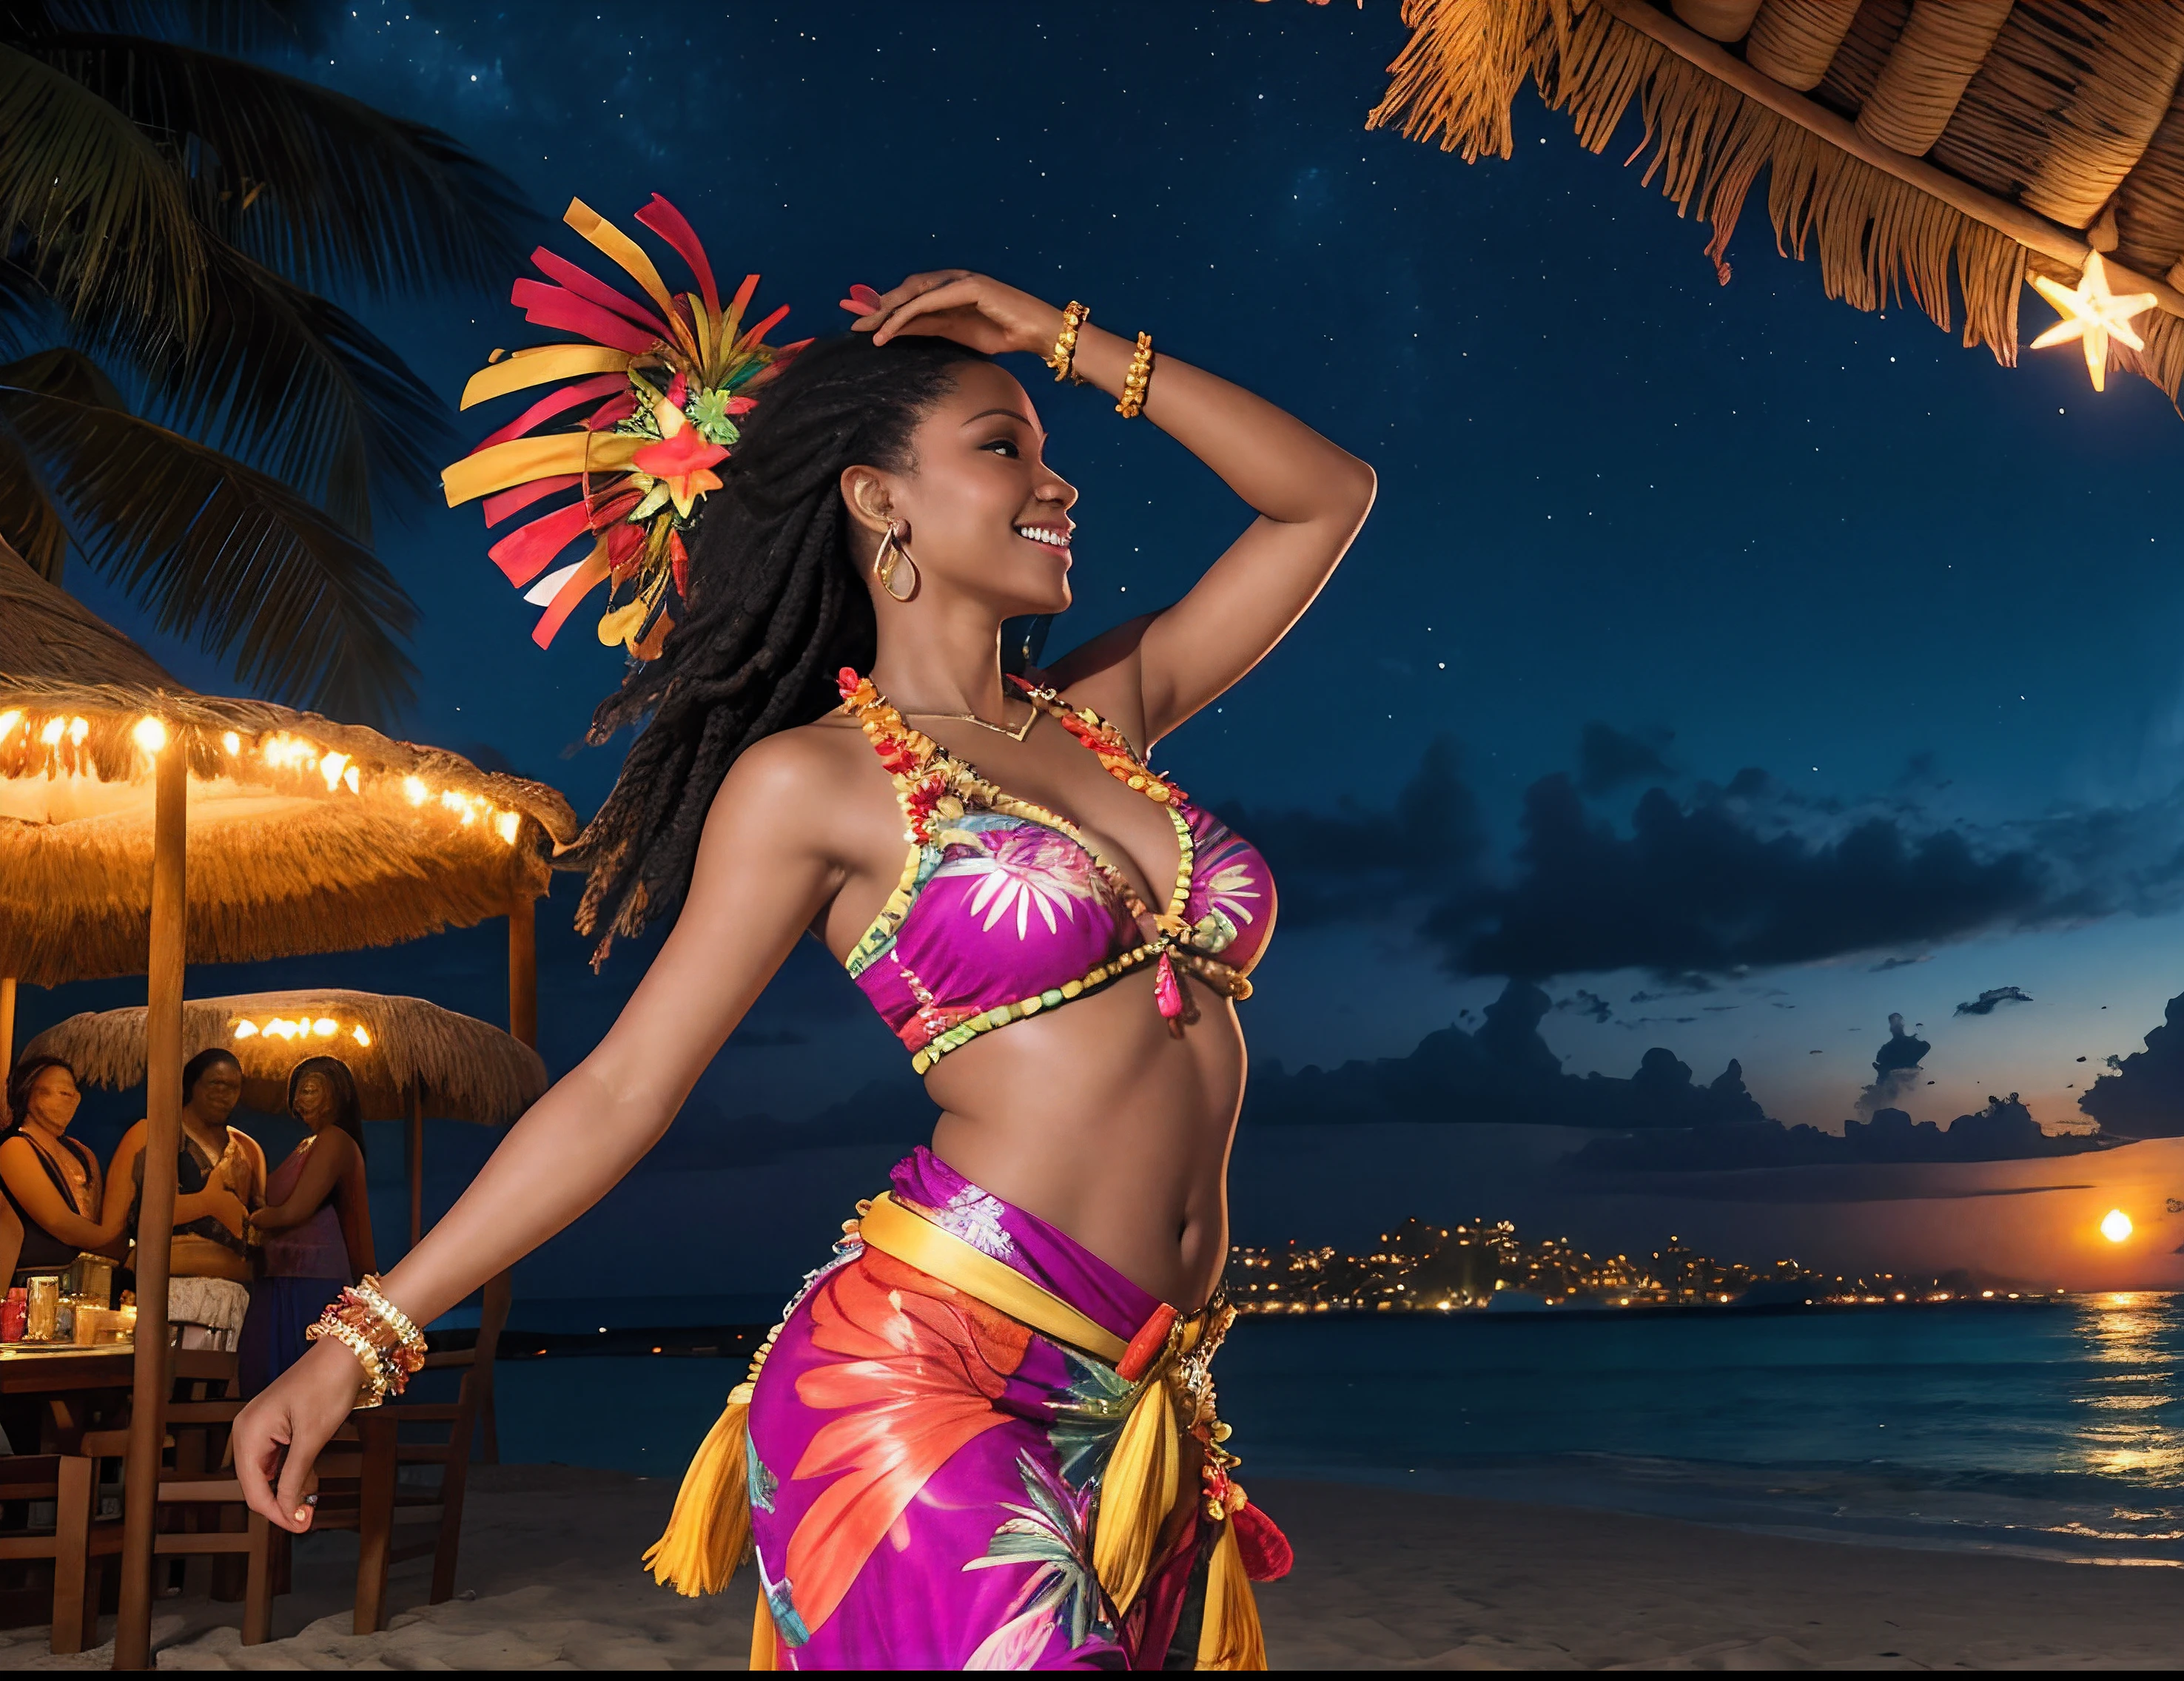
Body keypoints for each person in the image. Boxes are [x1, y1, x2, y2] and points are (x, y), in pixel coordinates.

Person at [235, 207, 1368, 1672]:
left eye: (1039, 442)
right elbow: (623, 1089)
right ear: (877, 497)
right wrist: (360, 1342)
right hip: (927, 1371)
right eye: (1001, 446)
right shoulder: (812, 783)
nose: (1055, 477)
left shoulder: (1108, 711)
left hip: (1142, 1401)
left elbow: (1325, 497)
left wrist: (1057, 340)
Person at [104, 1048, 264, 1350]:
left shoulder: (247, 1150)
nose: (223, 1093)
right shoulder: (150, 1134)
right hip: (165, 1291)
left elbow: (258, 1224)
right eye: (214, 1083)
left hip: (233, 1298)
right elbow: (118, 1222)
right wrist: (207, 1202)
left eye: (232, 1087)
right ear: (192, 1084)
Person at [239, 1057, 376, 1393]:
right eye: (298, 1094)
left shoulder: (335, 1139)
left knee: (295, 1383)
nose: (300, 1101)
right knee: (270, 1380)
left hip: (308, 1279)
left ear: (338, 1095)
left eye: (311, 1091)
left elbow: (292, 1212)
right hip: (284, 1275)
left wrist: (246, 1221)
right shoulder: (308, 1144)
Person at [2, 1056, 126, 1289]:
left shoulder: (82, 1153)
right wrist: (109, 1236)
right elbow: (58, 1220)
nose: (70, 1096)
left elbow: (97, 1213)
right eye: (59, 1091)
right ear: (29, 1093)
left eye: (72, 1091)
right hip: (34, 1286)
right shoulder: (16, 1147)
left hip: (90, 1279)